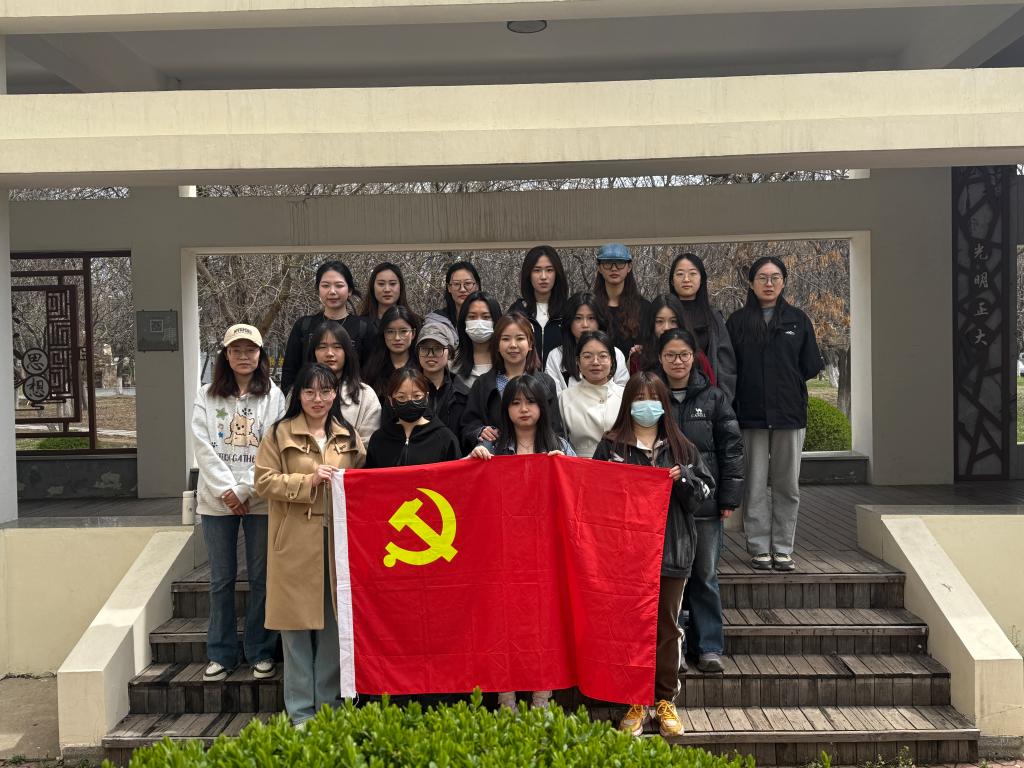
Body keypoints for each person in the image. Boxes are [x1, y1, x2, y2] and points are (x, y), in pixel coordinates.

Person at [592, 372, 715, 738]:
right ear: (628, 403)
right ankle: (634, 701)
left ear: (664, 404)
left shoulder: (682, 448)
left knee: (666, 629)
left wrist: (684, 479)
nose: (646, 404)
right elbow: (595, 497)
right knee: (630, 630)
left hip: (672, 553)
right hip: (627, 558)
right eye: (639, 397)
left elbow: (703, 495)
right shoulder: (612, 446)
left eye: (654, 398)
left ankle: (664, 700)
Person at [254, 363, 366, 727]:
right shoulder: (279, 433)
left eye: (326, 391)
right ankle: (301, 712)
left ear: (335, 395)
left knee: (334, 624)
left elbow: (364, 481)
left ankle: (329, 707)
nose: (318, 399)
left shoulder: (347, 435)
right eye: (310, 391)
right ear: (298, 395)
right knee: (295, 627)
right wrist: (307, 481)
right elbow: (263, 482)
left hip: (337, 541)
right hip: (294, 541)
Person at [468, 373, 575, 711]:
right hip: (501, 552)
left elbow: (581, 491)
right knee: (503, 624)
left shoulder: (560, 445)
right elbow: (467, 490)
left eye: (530, 402)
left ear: (543, 406)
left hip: (547, 553)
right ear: (506, 409)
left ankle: (542, 699)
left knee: (545, 624)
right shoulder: (492, 447)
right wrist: (473, 461)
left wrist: (567, 469)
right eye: (515, 403)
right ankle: (506, 699)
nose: (523, 409)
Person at [191, 324, 285, 683]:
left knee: (262, 578)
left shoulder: (273, 395)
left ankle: (261, 650)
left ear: (260, 355)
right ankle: (221, 653)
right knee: (221, 579)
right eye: (236, 350)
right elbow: (202, 444)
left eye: (250, 350)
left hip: (259, 498)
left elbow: (272, 445)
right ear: (226, 355)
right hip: (216, 502)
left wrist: (244, 490)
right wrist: (226, 490)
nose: (244, 356)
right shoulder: (206, 395)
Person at [726, 256, 823, 572]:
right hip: (750, 414)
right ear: (751, 283)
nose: (769, 284)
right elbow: (730, 367)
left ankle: (782, 548)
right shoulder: (738, 322)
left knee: (787, 485)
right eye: (762, 278)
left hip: (789, 415)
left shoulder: (798, 320)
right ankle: (758, 548)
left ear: (784, 282)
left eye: (775, 277)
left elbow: (809, 365)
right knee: (754, 484)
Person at [657, 329, 744, 674]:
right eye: (670, 355)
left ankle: (708, 646)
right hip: (665, 507)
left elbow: (731, 449)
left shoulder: (714, 398)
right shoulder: (652, 397)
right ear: (660, 358)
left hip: (705, 505)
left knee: (705, 575)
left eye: (684, 354)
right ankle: (674, 648)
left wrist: (729, 496)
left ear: (694, 357)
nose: (677, 361)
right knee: (671, 576)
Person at [460, 312, 564, 453]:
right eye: (506, 339)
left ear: (530, 344)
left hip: (537, 456)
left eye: (520, 338)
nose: (513, 345)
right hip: (496, 458)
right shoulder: (483, 383)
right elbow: (468, 425)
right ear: (497, 345)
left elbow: (555, 430)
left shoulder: (545, 383)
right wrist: (480, 431)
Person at [281, 261, 373, 392]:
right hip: (311, 399)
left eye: (339, 285)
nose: (332, 291)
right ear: (318, 290)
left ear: (350, 291)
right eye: (325, 286)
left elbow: (371, 373)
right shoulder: (304, 326)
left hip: (352, 399)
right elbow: (289, 372)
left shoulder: (364, 327)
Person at [668, 252, 737, 400]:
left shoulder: (713, 317)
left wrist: (722, 399)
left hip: (707, 396)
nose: (686, 279)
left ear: (701, 279)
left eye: (692, 274)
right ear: (672, 281)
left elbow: (726, 364)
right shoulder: (664, 314)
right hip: (668, 395)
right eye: (680, 274)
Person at [365, 368, 461, 467]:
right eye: (401, 397)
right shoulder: (379, 439)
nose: (410, 402)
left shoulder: (445, 439)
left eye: (417, 396)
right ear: (391, 400)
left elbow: (456, 473)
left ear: (426, 397)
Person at [309, 320, 381, 446]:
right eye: (322, 347)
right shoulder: (298, 392)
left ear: (347, 352)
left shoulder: (365, 395)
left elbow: (369, 445)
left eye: (337, 347)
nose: (329, 353)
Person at [545, 292, 629, 394]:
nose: (585, 325)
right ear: (569, 322)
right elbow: (555, 397)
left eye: (591, 318)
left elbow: (623, 392)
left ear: (599, 321)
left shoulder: (615, 354)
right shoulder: (556, 356)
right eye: (578, 318)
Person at [557, 330, 623, 458]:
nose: (595, 362)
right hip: (580, 465)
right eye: (587, 356)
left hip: (619, 465)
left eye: (603, 356)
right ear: (578, 361)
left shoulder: (625, 395)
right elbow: (560, 442)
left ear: (612, 360)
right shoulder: (565, 398)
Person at [507, 245, 568, 363]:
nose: (543, 277)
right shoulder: (518, 312)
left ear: (557, 273)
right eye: (537, 270)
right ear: (528, 274)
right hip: (525, 375)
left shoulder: (568, 312)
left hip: (560, 375)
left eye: (549, 270)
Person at [415, 319, 469, 444]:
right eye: (424, 349)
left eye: (438, 348)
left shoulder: (463, 394)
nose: (430, 354)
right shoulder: (406, 388)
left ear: (450, 353)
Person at [593, 243, 650, 358]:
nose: (614, 268)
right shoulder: (591, 306)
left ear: (629, 267)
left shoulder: (645, 308)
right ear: (599, 268)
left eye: (620, 263)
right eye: (608, 263)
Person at [361, 305, 422, 396]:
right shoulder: (372, 370)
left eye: (403, 331)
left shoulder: (422, 366)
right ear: (383, 334)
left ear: (413, 334)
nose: (397, 338)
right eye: (390, 331)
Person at [451, 291, 501, 389]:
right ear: (463, 321)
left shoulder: (507, 359)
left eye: (486, 317)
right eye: (472, 317)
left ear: (496, 320)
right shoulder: (452, 362)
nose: (479, 323)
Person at [629, 294, 686, 374]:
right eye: (659, 321)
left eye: (673, 321)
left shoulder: (696, 356)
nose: (666, 328)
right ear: (652, 323)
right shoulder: (639, 358)